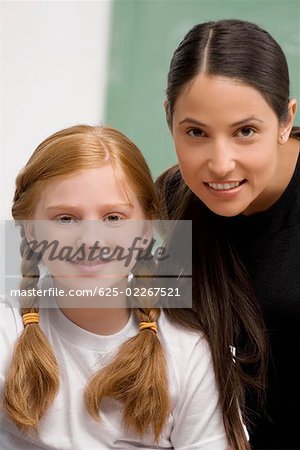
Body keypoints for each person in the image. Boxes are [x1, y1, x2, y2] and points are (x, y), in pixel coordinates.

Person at [0, 124, 238, 450]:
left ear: (145, 231)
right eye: (65, 219)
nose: (90, 241)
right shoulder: (6, 333)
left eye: (113, 218)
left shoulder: (188, 352)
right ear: (29, 231)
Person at [157, 19, 300, 450]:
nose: (221, 164)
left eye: (245, 132)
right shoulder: (166, 204)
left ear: (285, 119)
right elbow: (43, 282)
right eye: (196, 133)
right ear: (170, 120)